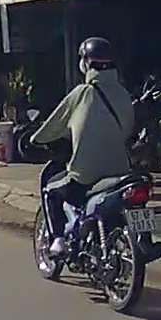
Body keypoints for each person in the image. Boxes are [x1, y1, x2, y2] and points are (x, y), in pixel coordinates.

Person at [31, 37, 133, 257]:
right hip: (120, 171)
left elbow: (54, 126)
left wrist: (36, 140)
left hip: (86, 175)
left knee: (51, 190)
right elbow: (126, 131)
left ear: (86, 63)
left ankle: (58, 240)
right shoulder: (124, 94)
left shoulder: (82, 93)